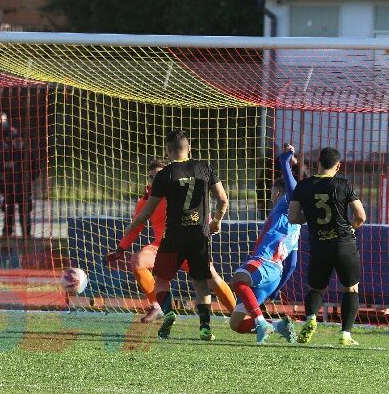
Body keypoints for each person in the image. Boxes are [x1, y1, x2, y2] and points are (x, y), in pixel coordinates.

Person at [110, 129, 228, 341]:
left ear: (168, 151)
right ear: (189, 147)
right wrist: (216, 222)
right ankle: (205, 327)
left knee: (162, 280)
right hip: (198, 237)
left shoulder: (165, 176)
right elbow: (223, 200)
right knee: (202, 282)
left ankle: (169, 312)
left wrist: (129, 231)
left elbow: (145, 214)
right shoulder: (205, 167)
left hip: (173, 237)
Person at [288, 146, 366, 346]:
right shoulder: (343, 184)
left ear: (318, 164)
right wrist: (352, 228)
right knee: (350, 288)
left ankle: (311, 317)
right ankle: (345, 334)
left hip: (319, 245)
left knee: (316, 288)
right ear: (338, 166)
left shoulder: (303, 186)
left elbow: (294, 217)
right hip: (344, 244)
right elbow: (360, 216)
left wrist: (312, 217)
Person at [228, 144, 302, 343]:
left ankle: (261, 322)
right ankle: (278, 326)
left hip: (265, 263)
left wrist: (284, 163)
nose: (269, 196)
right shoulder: (295, 227)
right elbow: (293, 263)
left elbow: (294, 190)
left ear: (277, 193)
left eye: (271, 192)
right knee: (235, 324)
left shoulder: (284, 205)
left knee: (238, 280)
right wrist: (278, 289)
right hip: (274, 275)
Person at [0, 125, 36, 237]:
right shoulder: (7, 153)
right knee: (9, 211)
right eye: (15, 141)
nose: (18, 143)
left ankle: (26, 234)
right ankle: (7, 232)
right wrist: (7, 167)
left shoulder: (29, 154)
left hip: (24, 188)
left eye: (20, 141)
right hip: (9, 187)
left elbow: (36, 170)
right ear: (12, 142)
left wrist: (27, 177)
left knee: (25, 212)